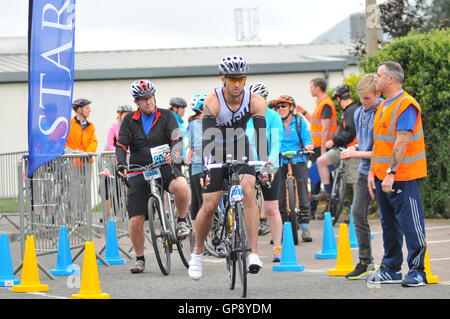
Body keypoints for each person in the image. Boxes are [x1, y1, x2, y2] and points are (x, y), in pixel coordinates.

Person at [188, 55, 268, 280]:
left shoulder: (256, 101)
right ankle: (198, 253)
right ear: (222, 78)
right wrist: (206, 167)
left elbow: (261, 138)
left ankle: (253, 253)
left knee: (249, 192)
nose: (236, 84)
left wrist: (263, 165)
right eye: (232, 79)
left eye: (241, 79)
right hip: (215, 146)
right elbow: (207, 138)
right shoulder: (212, 100)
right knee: (211, 202)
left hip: (240, 144)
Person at [116, 79, 191, 274]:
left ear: (154, 97)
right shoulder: (129, 120)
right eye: (143, 99)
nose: (148, 102)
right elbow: (121, 145)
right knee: (136, 220)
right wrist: (121, 164)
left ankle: (181, 221)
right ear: (137, 102)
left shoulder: (167, 116)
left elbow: (177, 138)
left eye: (149, 98)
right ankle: (140, 259)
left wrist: (174, 155)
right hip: (140, 169)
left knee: (182, 186)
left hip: (165, 165)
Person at [366, 61, 428, 287]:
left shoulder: (406, 105)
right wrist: (373, 172)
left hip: (403, 175)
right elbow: (379, 144)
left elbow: (402, 140)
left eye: (379, 75)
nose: (375, 78)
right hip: (383, 175)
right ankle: (391, 269)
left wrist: (391, 172)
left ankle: (418, 271)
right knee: (388, 223)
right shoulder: (383, 106)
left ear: (390, 79)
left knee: (411, 223)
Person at [339, 74, 383, 280]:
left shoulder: (383, 110)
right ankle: (366, 261)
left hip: (383, 170)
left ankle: (393, 264)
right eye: (361, 98)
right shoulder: (358, 113)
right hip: (365, 171)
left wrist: (356, 153)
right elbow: (365, 142)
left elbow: (382, 150)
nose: (364, 103)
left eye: (367, 98)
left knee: (389, 218)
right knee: (357, 214)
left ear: (378, 93)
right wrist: (354, 147)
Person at [248, 82, 284, 262]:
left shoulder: (273, 116)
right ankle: (250, 248)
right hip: (247, 164)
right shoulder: (244, 117)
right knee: (248, 204)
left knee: (271, 208)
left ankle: (278, 246)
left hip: (268, 164)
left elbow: (276, 143)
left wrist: (270, 163)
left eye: (260, 100)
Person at [311, 84, 360, 206]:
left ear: (338, 98)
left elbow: (350, 132)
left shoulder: (352, 110)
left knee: (355, 182)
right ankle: (328, 192)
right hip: (341, 148)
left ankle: (357, 211)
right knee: (321, 161)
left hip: (352, 150)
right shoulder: (348, 111)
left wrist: (334, 141)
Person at [274, 95, 314, 243]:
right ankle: (283, 228)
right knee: (279, 195)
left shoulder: (299, 122)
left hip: (298, 157)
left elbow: (307, 138)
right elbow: (271, 140)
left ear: (291, 108)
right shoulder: (275, 123)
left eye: (283, 106)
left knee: (303, 189)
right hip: (280, 158)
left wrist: (308, 145)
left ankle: (305, 227)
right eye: (278, 107)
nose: (280, 109)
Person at [296, 78, 337, 219]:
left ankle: (316, 210)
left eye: (311, 87)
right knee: (319, 177)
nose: (310, 89)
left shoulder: (325, 104)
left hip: (321, 146)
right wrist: (304, 112)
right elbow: (316, 122)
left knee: (316, 176)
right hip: (319, 146)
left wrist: (324, 150)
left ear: (317, 88)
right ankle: (327, 210)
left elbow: (325, 128)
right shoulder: (322, 104)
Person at [186, 93, 207, 231]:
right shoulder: (197, 124)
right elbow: (199, 145)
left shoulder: (192, 124)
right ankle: (200, 235)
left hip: (196, 166)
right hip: (202, 166)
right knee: (202, 203)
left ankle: (196, 234)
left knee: (197, 201)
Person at [169, 97, 189, 167]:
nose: (184, 110)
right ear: (175, 108)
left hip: (180, 158)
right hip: (175, 158)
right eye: (182, 108)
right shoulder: (172, 121)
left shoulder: (179, 122)